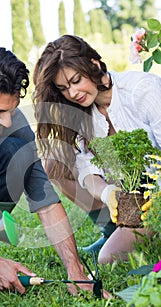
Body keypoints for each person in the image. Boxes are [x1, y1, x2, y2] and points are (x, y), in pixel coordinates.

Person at [0, 45, 110, 298]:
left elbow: (45, 201)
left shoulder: (11, 124)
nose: (7, 122)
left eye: (11, 110)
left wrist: (75, 269)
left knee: (15, 149)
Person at [33, 34, 161, 264]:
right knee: (53, 164)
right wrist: (108, 194)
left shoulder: (142, 91)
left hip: (157, 199)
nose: (72, 93)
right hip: (132, 200)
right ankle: (111, 229)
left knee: (108, 259)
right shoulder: (83, 114)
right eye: (63, 88)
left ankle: (143, 230)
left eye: (76, 80)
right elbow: (86, 168)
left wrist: (156, 202)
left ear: (94, 64)